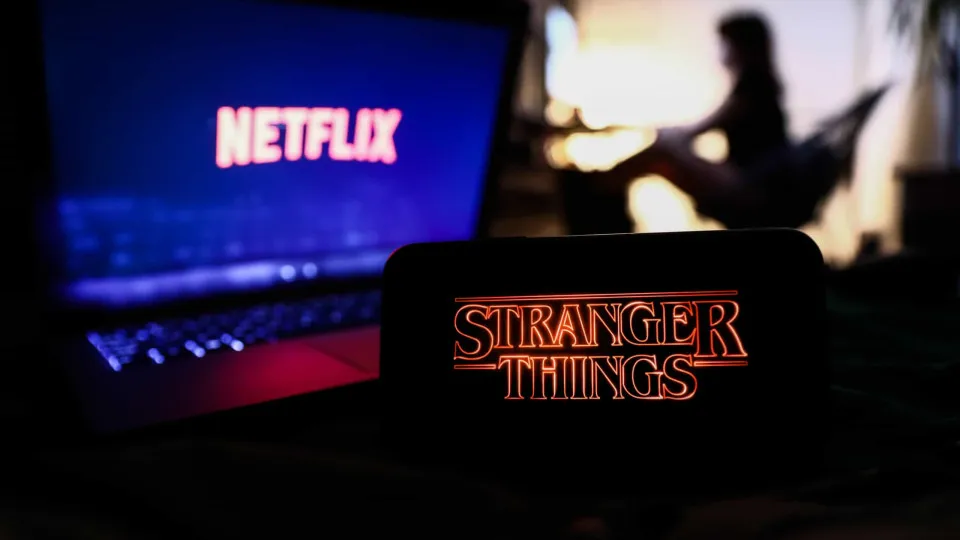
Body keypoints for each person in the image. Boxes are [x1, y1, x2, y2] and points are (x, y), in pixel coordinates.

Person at [599, 11, 793, 227]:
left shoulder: (753, 89)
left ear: (742, 47)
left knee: (661, 153)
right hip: (749, 182)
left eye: (726, 43)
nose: (722, 51)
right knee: (659, 156)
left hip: (751, 188)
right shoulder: (759, 87)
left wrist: (667, 134)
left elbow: (699, 129)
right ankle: (605, 198)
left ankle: (598, 191)